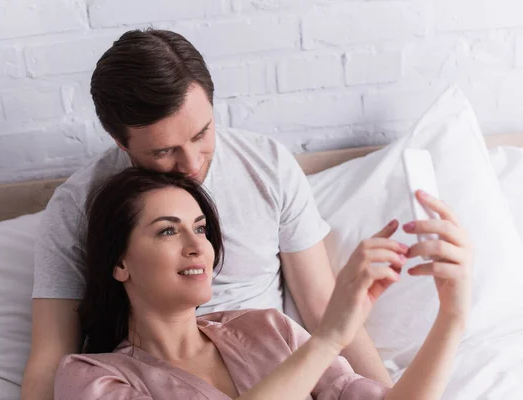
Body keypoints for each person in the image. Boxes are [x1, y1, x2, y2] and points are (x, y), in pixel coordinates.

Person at [22, 29, 392, 400]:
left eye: (202, 133)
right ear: (121, 142)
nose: (191, 164)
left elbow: (322, 307)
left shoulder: (267, 166)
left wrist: (390, 384)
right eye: (165, 151)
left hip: (277, 363)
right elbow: (51, 356)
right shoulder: (78, 209)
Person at [55, 168, 473, 400]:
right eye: (168, 231)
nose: (196, 246)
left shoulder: (268, 328)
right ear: (119, 263)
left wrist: (452, 316)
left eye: (201, 230)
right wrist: (327, 337)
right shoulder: (91, 379)